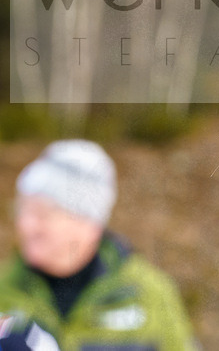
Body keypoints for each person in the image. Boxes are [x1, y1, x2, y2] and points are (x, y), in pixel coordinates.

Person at [0, 140, 196, 350]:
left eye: (43, 214)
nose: (26, 225)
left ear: (88, 224)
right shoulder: (5, 289)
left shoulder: (150, 297)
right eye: (23, 210)